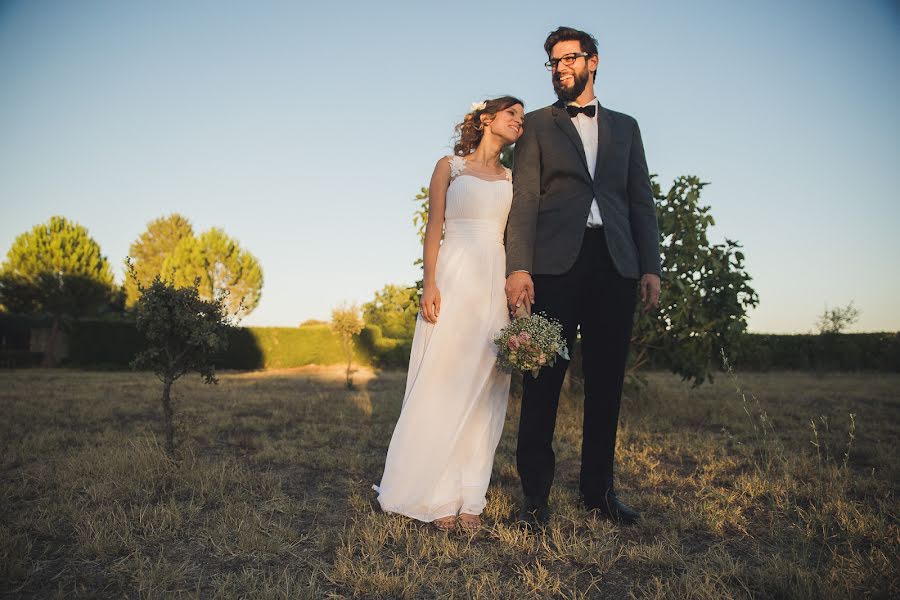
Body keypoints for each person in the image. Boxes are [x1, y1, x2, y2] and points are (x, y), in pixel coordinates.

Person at [505, 26, 662, 527]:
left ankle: (599, 493)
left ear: (594, 62)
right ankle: (535, 498)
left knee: (606, 384)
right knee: (543, 382)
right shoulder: (533, 125)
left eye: (569, 58)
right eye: (553, 62)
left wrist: (650, 265)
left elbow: (641, 200)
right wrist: (518, 267)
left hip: (615, 264)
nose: (560, 68)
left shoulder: (628, 127)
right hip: (553, 266)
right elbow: (524, 198)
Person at [374, 96, 525, 532]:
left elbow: (515, 240)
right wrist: (430, 282)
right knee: (441, 382)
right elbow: (434, 228)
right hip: (454, 277)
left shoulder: (514, 179)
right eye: (511, 113)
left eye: (521, 116)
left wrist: (518, 298)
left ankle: (471, 498)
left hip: (493, 282)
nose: (519, 120)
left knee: (486, 390)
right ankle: (438, 496)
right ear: (486, 119)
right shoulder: (450, 167)